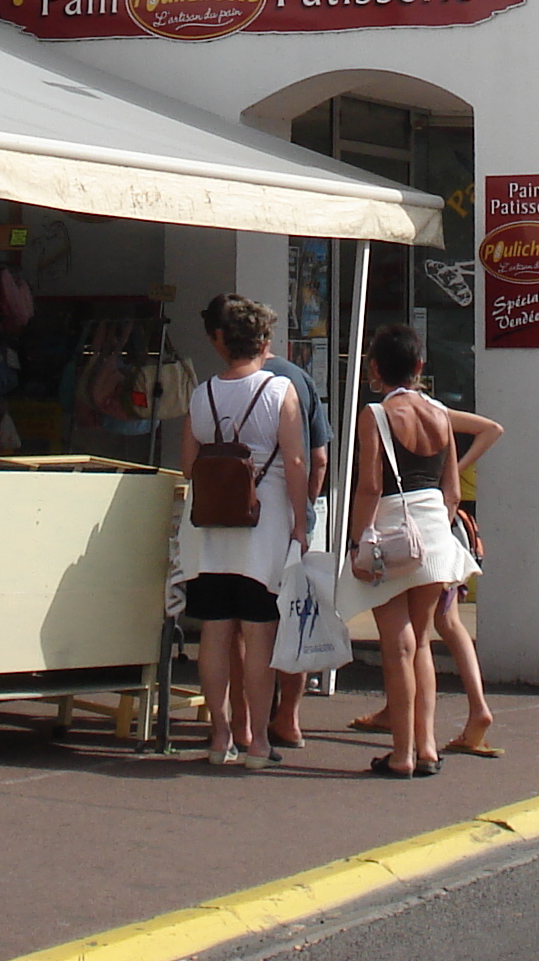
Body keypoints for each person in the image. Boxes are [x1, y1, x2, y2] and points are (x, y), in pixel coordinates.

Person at [343, 372, 504, 758]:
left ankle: (402, 754)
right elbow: (451, 488)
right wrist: (439, 520)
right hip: (434, 532)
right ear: (417, 367)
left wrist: (355, 541)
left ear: (376, 371)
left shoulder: (377, 414)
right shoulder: (438, 413)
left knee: (398, 646)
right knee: (424, 642)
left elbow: (370, 486)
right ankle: (426, 746)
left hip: (390, 532)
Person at [179, 295, 307, 766]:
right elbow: (294, 460)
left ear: (222, 342)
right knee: (259, 637)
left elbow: (189, 465)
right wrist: (300, 519)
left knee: (213, 634)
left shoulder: (202, 393)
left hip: (210, 528)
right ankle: (258, 742)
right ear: (263, 341)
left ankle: (219, 737)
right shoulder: (278, 392)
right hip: (264, 526)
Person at [235, 316, 331, 756]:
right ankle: (287, 717)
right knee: (295, 615)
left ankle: (242, 722)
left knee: (242, 626)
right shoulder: (297, 379)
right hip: (292, 517)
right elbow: (317, 457)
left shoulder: (221, 385)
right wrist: (305, 507)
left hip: (238, 518)